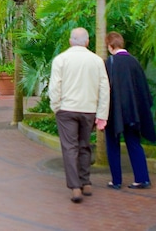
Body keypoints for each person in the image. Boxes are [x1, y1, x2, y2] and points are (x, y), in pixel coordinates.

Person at [49, 27, 110, 203]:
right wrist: (102, 113)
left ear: (70, 41)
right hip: (89, 109)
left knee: (69, 148)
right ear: (87, 42)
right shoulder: (97, 60)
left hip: (66, 109)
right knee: (84, 145)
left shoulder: (61, 59)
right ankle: (86, 182)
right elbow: (104, 88)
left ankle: (75, 187)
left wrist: (56, 107)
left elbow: (55, 86)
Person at [104, 31, 156, 190]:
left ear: (110, 46)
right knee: (134, 143)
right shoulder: (135, 62)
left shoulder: (110, 62)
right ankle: (142, 178)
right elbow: (144, 90)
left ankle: (116, 180)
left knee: (112, 144)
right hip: (134, 112)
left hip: (115, 112)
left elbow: (105, 88)